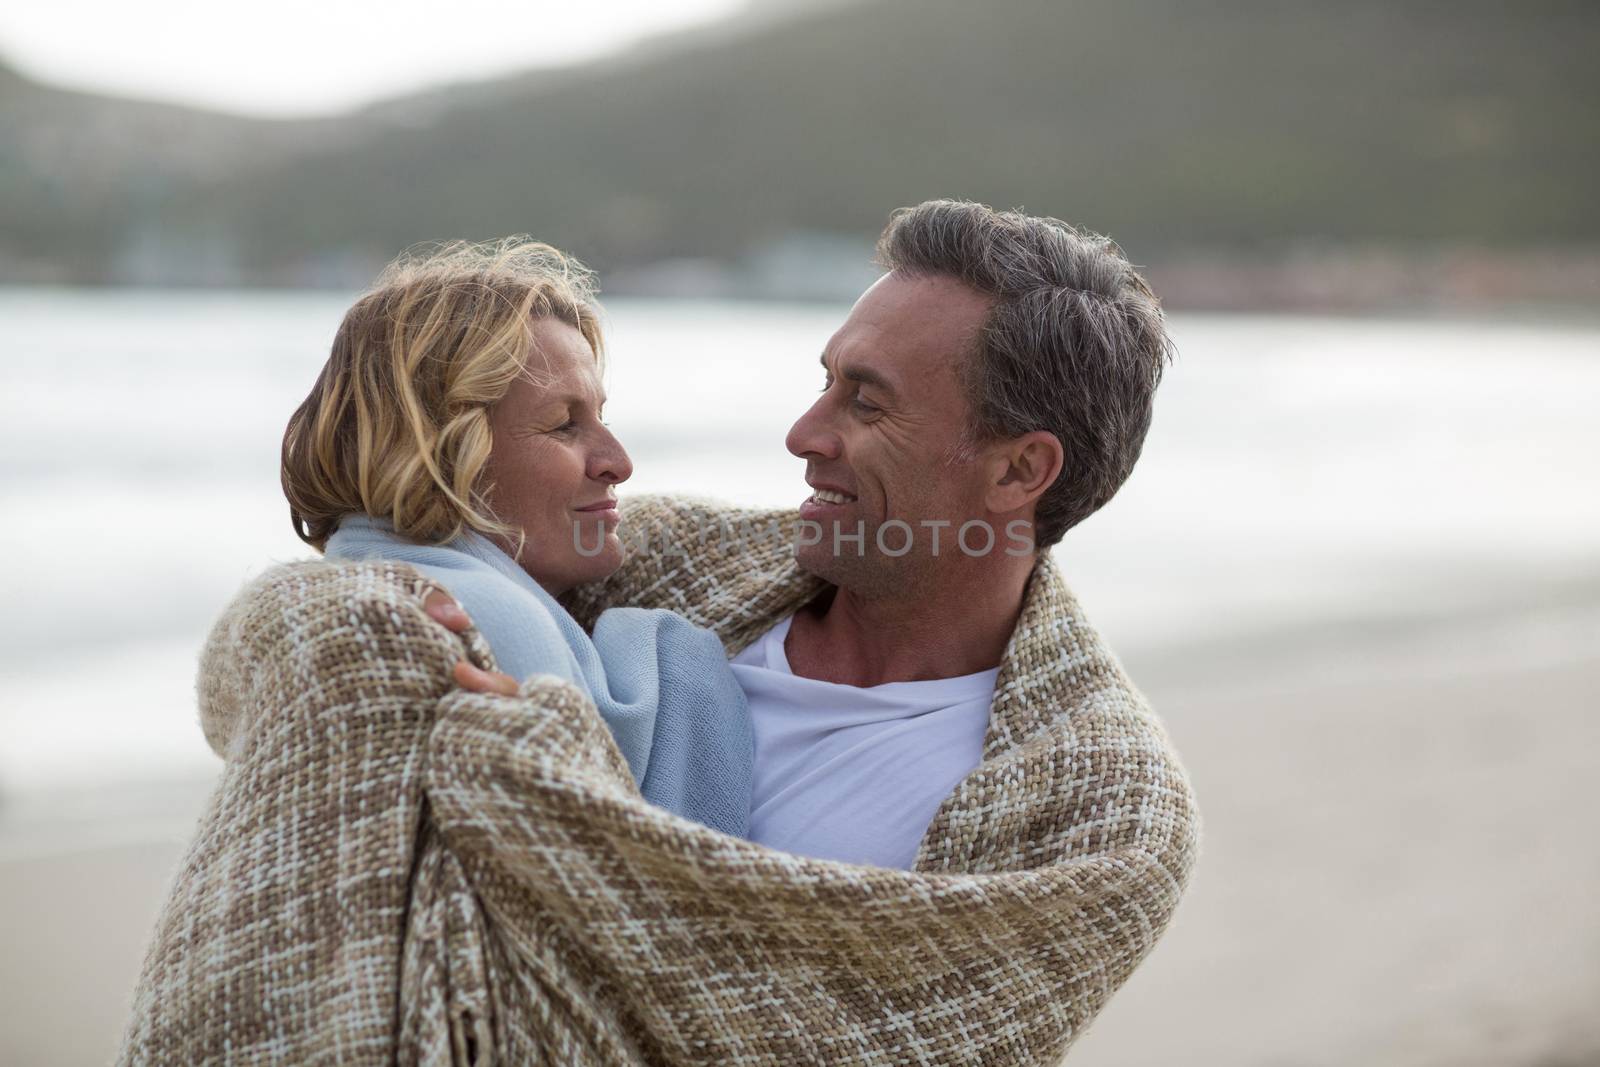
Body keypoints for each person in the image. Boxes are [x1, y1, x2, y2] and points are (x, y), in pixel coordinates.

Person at [122, 203, 1199, 1066]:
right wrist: (357, 635)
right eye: (823, 379)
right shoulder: (667, 557)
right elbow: (311, 613)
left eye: (864, 403)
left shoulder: (1100, 808)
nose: (803, 432)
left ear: (1019, 469)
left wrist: (521, 770)